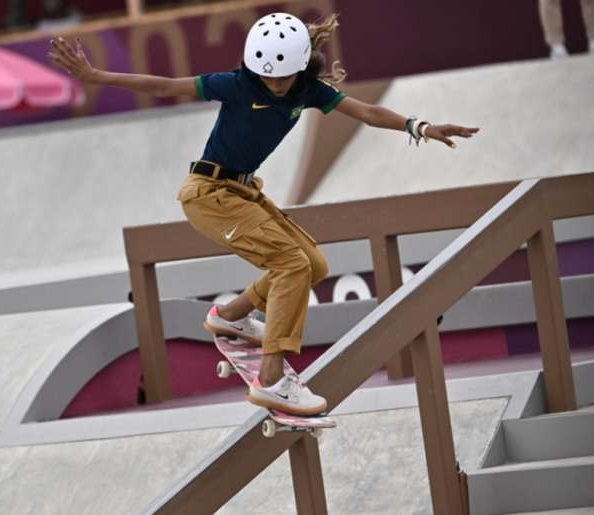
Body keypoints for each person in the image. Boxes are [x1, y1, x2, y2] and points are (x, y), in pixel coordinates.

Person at [48, 13, 478, 416]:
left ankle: (230, 316)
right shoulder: (236, 84)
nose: (274, 84)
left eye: (283, 76)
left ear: (300, 67)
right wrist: (96, 76)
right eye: (267, 76)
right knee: (289, 263)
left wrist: (418, 127)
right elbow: (166, 86)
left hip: (242, 191)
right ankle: (272, 380)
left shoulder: (310, 90)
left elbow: (366, 111)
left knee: (312, 264)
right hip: (209, 193)